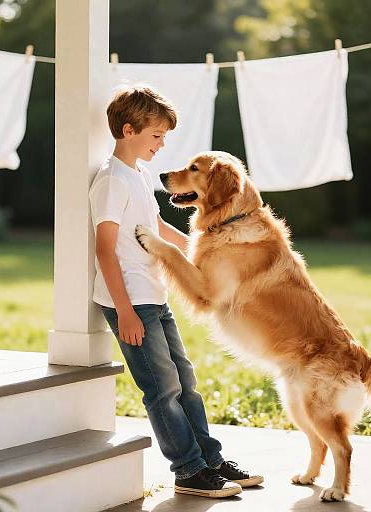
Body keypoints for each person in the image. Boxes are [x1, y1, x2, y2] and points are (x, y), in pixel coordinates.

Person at [88, 85, 264, 498]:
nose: (162, 144)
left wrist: (205, 255)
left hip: (156, 297)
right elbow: (105, 248)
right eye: (156, 135)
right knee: (162, 389)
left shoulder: (140, 175)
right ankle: (188, 471)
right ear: (128, 131)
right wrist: (125, 311)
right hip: (131, 303)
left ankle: (211, 460)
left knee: (185, 381)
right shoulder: (112, 181)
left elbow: (158, 229)